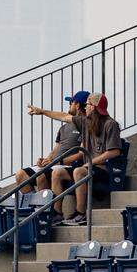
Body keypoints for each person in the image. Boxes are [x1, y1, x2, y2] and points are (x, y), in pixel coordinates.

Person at [27, 92, 122, 224]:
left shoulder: (111, 124)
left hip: (103, 169)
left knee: (78, 171)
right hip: (87, 168)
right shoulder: (86, 122)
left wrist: (90, 162)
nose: (85, 107)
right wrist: (42, 111)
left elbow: (114, 152)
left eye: (87, 104)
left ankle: (81, 213)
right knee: (57, 172)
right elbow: (64, 117)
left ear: (93, 107)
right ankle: (57, 213)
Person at [14, 90, 88, 193]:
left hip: (68, 166)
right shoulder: (63, 128)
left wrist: (42, 111)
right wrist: (46, 160)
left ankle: (45, 208)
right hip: (55, 164)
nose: (69, 105)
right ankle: (34, 206)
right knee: (20, 174)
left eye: (71, 102)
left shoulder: (86, 124)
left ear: (77, 105)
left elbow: (81, 154)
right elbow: (55, 150)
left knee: (41, 175)